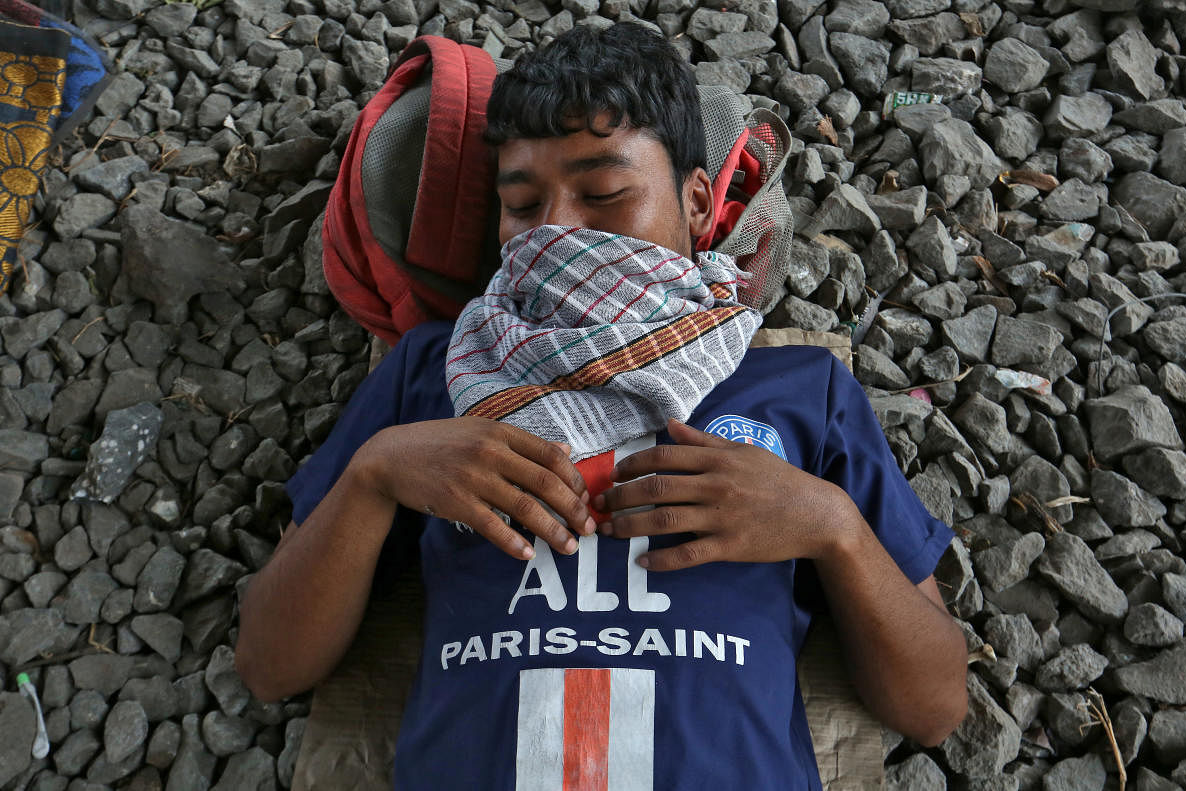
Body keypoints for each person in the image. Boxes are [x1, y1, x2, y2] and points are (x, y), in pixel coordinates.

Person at [235, 23, 967, 789]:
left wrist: (832, 528)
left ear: (693, 200)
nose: (556, 230)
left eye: (605, 194)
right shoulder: (437, 368)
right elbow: (269, 664)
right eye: (521, 204)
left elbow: (936, 704)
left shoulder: (797, 386)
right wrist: (375, 475)